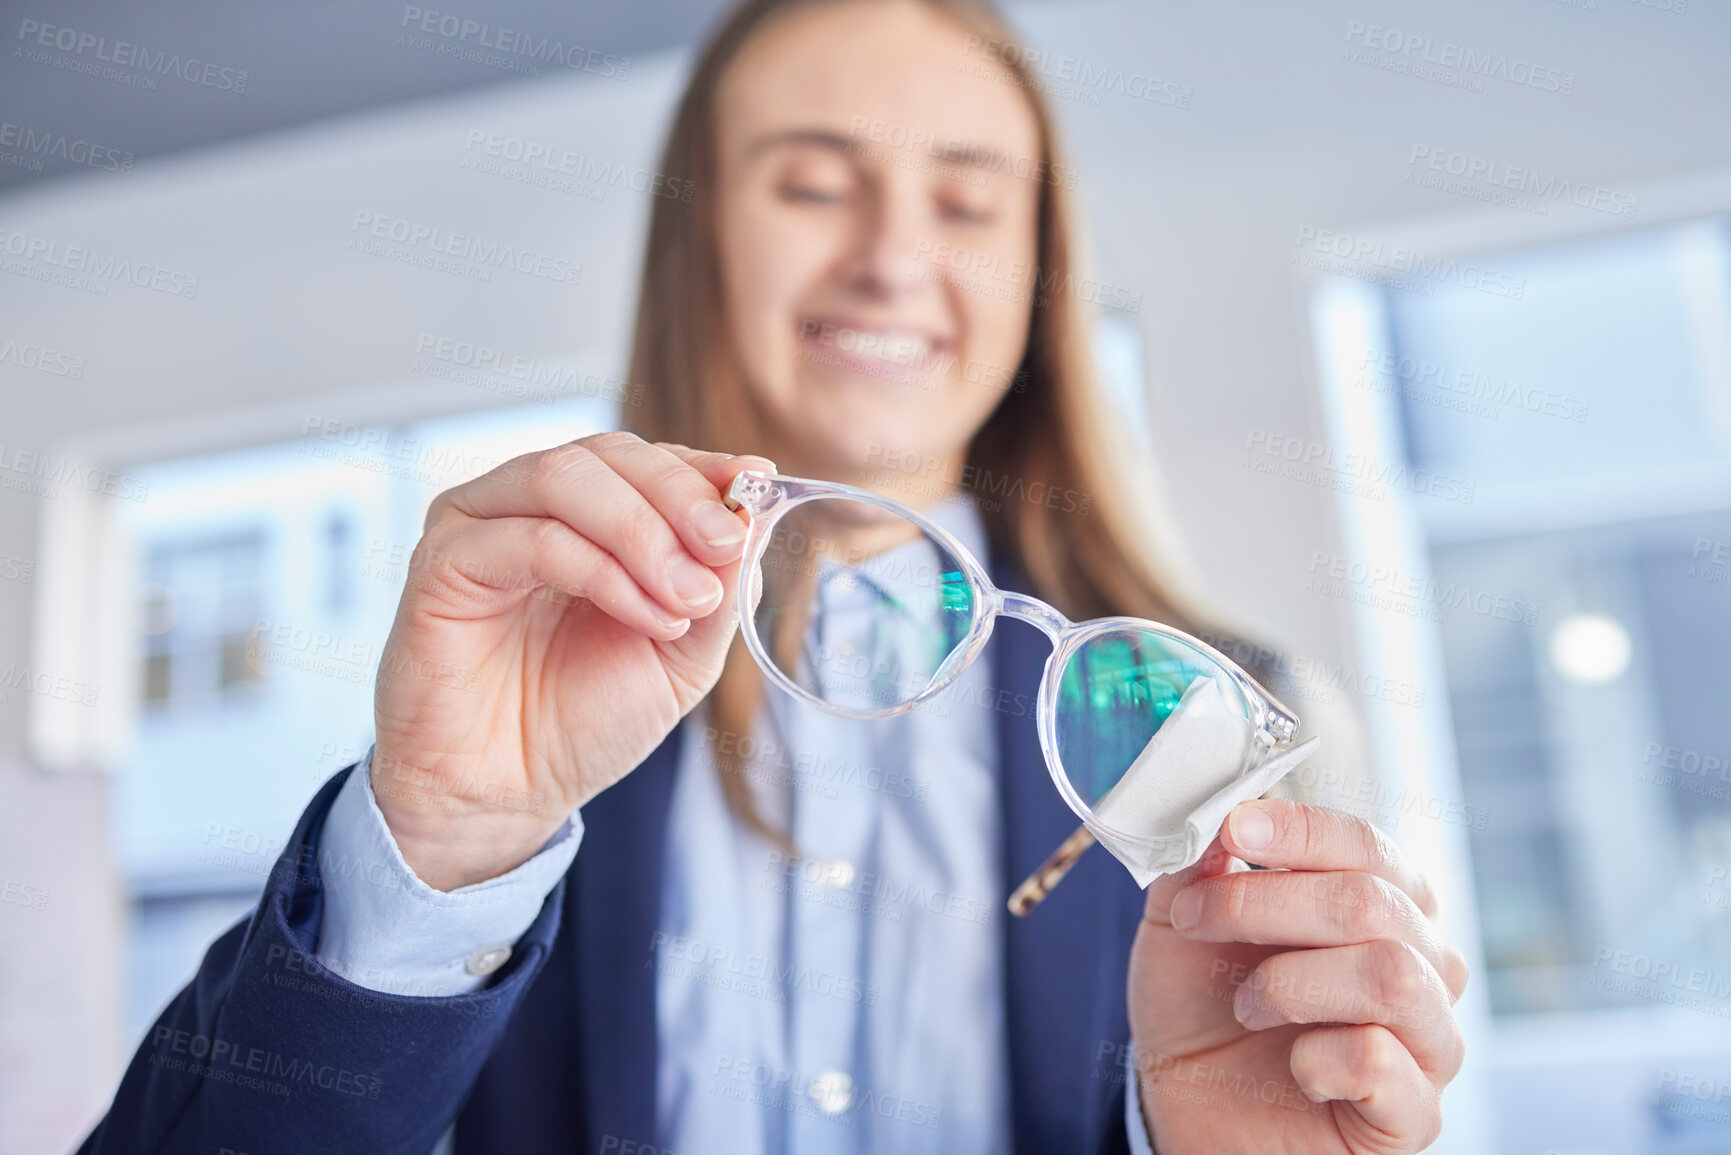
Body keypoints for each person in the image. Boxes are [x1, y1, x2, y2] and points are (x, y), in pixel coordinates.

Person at [80, 0, 1468, 1151]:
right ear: (700, 244)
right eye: (812, 185)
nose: (892, 261)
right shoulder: (529, 695)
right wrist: (433, 852)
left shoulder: (1205, 724)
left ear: (1039, 267)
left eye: (969, 204)